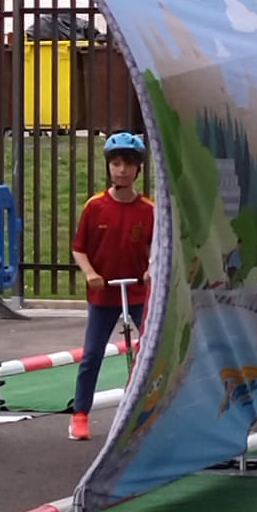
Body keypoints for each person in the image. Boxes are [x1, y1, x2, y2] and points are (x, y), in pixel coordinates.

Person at [69, 132, 154, 441]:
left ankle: (145, 410)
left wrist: (149, 270)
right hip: (104, 292)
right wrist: (90, 273)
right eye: (116, 164)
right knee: (92, 353)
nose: (121, 170)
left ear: (137, 170)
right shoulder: (95, 207)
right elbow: (79, 248)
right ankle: (79, 414)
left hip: (136, 291)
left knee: (149, 351)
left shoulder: (148, 209)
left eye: (128, 165)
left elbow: (153, 250)